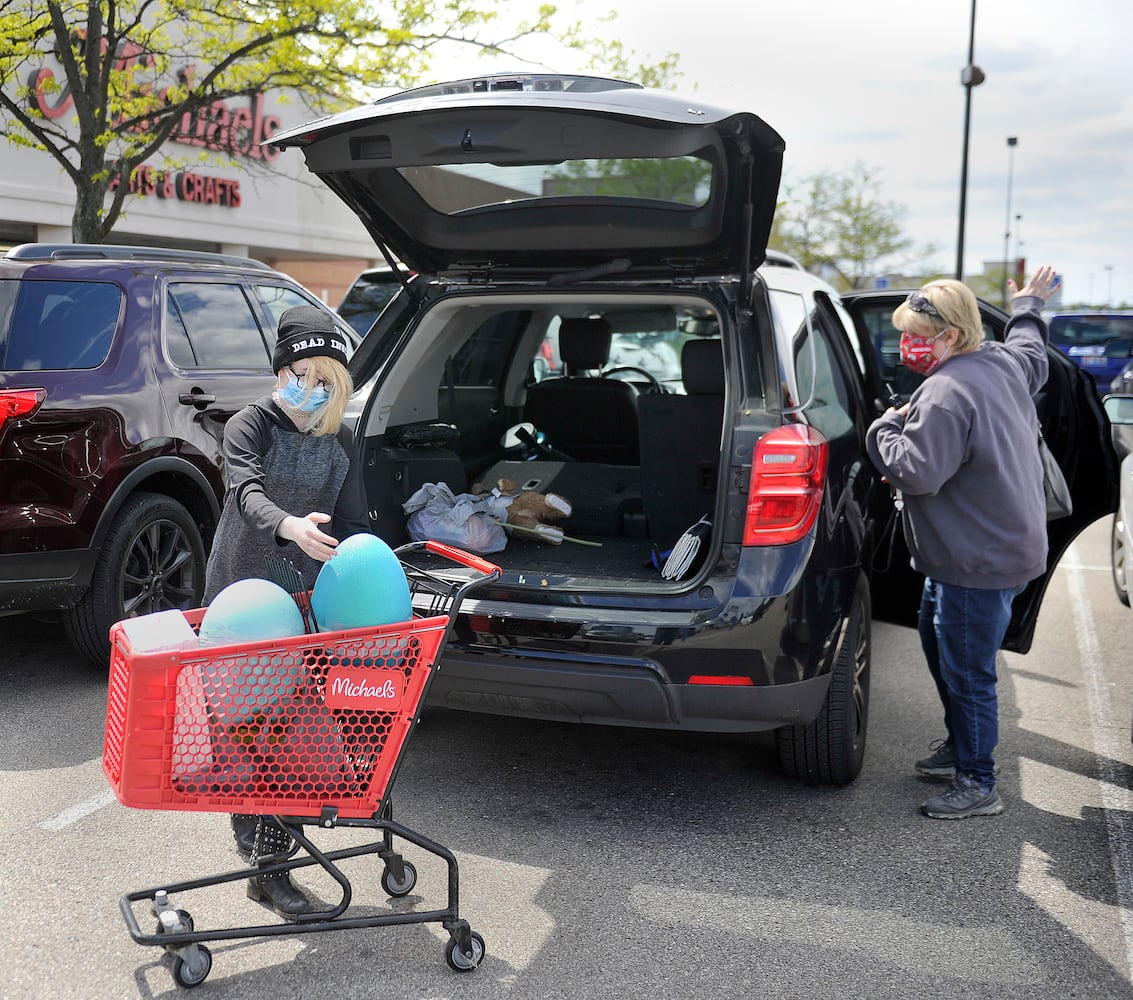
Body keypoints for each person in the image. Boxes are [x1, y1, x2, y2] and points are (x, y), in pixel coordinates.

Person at [866, 265, 1058, 820]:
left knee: (969, 672)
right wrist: (1028, 305)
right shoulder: (1001, 362)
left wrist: (886, 426)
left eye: (918, 336)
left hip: (977, 559)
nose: (907, 345)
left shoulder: (946, 393)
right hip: (995, 548)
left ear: (951, 335)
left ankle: (979, 782)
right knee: (936, 638)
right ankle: (961, 747)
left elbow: (917, 473)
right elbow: (1033, 351)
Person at [204, 305, 369, 917]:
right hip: (240, 599)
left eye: (326, 379)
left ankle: (275, 853)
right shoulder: (250, 426)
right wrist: (290, 526)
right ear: (280, 371)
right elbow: (244, 493)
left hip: (305, 601)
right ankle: (268, 869)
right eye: (302, 372)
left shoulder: (342, 438)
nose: (312, 388)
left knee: (294, 731)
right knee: (249, 734)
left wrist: (372, 572)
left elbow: (353, 522)